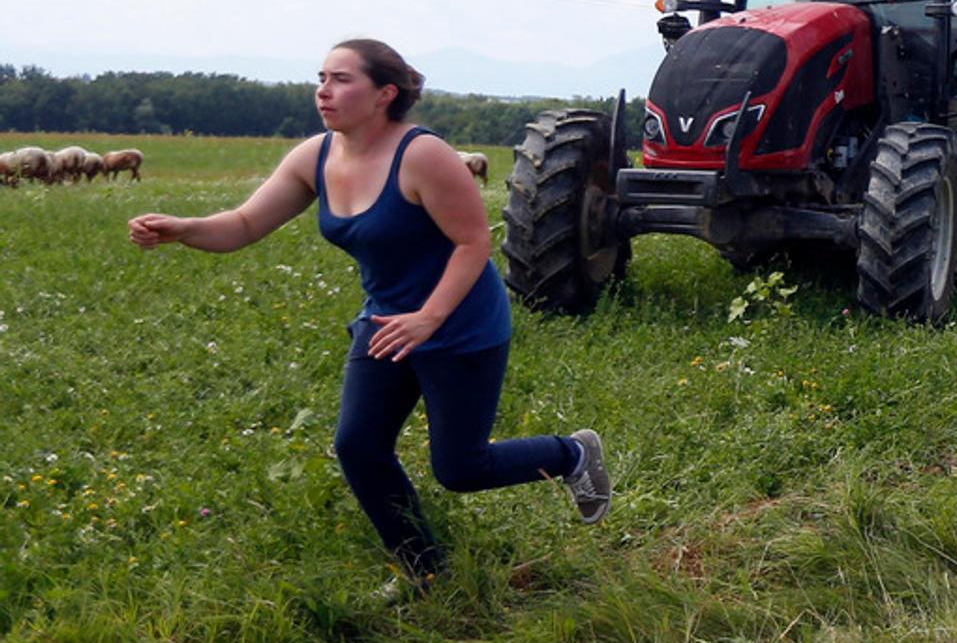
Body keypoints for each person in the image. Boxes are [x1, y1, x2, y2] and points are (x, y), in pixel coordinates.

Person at [126, 40, 608, 593]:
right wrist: (184, 229)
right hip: (385, 325)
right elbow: (242, 225)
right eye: (321, 77)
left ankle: (573, 453)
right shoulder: (316, 157)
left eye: (341, 79)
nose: (323, 91)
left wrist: (429, 317)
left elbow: (473, 243)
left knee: (461, 469)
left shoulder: (423, 155)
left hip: (460, 325)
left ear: (385, 93)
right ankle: (424, 570)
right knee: (359, 446)